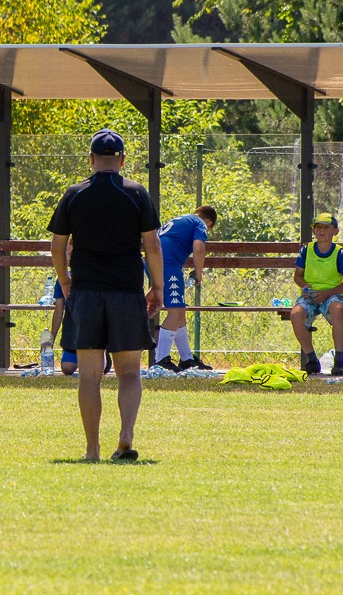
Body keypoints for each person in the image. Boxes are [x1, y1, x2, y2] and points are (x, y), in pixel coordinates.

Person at [48, 129, 163, 462]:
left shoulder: (74, 194)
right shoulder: (136, 193)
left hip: (85, 292)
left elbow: (57, 247)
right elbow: (153, 246)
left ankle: (92, 450)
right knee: (129, 372)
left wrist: (65, 282)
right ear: (123, 160)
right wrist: (156, 287)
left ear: (91, 159)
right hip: (126, 292)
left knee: (89, 375)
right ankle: (125, 436)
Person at [289, 213, 343, 375]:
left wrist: (326, 293)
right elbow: (297, 276)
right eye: (318, 227)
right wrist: (305, 287)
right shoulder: (307, 250)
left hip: (331, 294)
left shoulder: (339, 253)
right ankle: (312, 359)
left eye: (326, 227)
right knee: (296, 314)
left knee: (337, 309)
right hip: (310, 295)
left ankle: (338, 360)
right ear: (313, 231)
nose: (322, 231)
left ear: (335, 231)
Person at [154, 205, 217, 371]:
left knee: (179, 311)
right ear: (209, 223)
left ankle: (187, 358)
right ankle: (161, 359)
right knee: (175, 311)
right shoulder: (199, 223)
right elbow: (199, 247)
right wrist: (198, 272)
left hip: (156, 264)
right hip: (167, 266)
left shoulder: (181, 220)